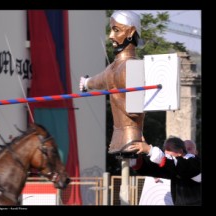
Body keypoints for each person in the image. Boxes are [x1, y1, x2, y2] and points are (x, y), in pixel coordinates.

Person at [79, 10, 144, 154]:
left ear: (131, 32)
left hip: (131, 136)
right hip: (117, 138)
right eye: (111, 30)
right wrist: (86, 82)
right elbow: (97, 81)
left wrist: (115, 97)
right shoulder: (112, 68)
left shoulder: (132, 66)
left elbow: (136, 112)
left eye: (116, 30)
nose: (111, 36)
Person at [128, 136, 201, 205]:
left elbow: (179, 165)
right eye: (165, 149)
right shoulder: (175, 167)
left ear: (180, 152)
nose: (166, 152)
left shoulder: (195, 163)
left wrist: (149, 150)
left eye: (169, 149)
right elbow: (153, 168)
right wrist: (135, 156)